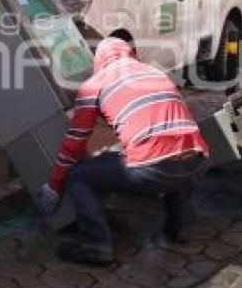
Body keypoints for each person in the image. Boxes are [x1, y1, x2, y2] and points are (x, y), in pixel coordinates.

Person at [37, 37, 210, 265]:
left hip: (156, 170)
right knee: (174, 155)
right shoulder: (154, 72)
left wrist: (54, 186)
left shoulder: (95, 84)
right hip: (198, 162)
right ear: (130, 54)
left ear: (98, 61)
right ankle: (180, 228)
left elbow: (75, 143)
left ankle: (97, 244)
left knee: (79, 177)